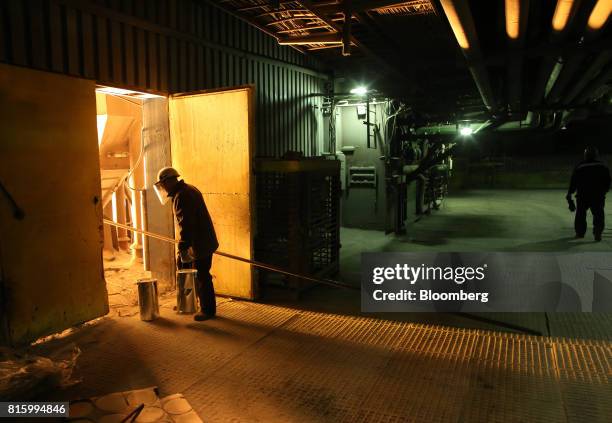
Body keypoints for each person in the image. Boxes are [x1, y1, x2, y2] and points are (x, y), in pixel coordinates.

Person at [154, 167, 219, 320]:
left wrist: (183, 246)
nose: (162, 188)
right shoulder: (188, 189)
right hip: (200, 241)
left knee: (202, 275)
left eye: (163, 184)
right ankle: (187, 303)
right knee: (186, 269)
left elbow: (186, 224)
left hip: (199, 243)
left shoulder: (182, 196)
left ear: (169, 181)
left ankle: (208, 310)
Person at [566, 146, 611, 242]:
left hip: (583, 195)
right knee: (598, 214)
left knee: (580, 214)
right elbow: (608, 180)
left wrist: (570, 193)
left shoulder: (580, 166)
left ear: (585, 155)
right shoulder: (602, 166)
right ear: (596, 155)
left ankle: (580, 233)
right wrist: (604, 190)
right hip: (598, 195)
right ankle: (597, 233)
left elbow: (574, 181)